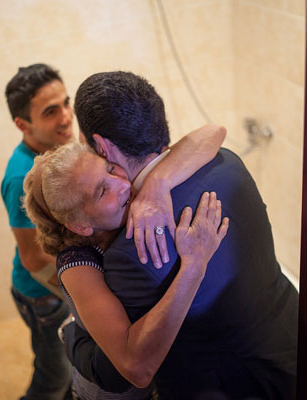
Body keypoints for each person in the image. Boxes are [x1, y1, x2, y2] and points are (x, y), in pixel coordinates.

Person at [65, 71, 299, 399]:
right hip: (293, 339)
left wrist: (71, 335)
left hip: (227, 387)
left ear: (101, 147)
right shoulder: (228, 161)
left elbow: (125, 369)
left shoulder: (132, 249)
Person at [22, 121, 229, 399]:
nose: (122, 184)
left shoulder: (127, 197)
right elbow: (136, 368)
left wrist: (157, 182)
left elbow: (214, 132)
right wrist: (194, 266)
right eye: (101, 192)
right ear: (80, 225)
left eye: (109, 169)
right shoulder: (76, 264)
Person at [1, 63, 73, 400]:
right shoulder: (21, 177)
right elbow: (33, 258)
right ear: (22, 124)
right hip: (43, 295)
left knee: (71, 374)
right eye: (50, 111)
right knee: (53, 381)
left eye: (66, 103)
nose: (66, 117)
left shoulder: (53, 150)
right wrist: (83, 289)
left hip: (57, 285)